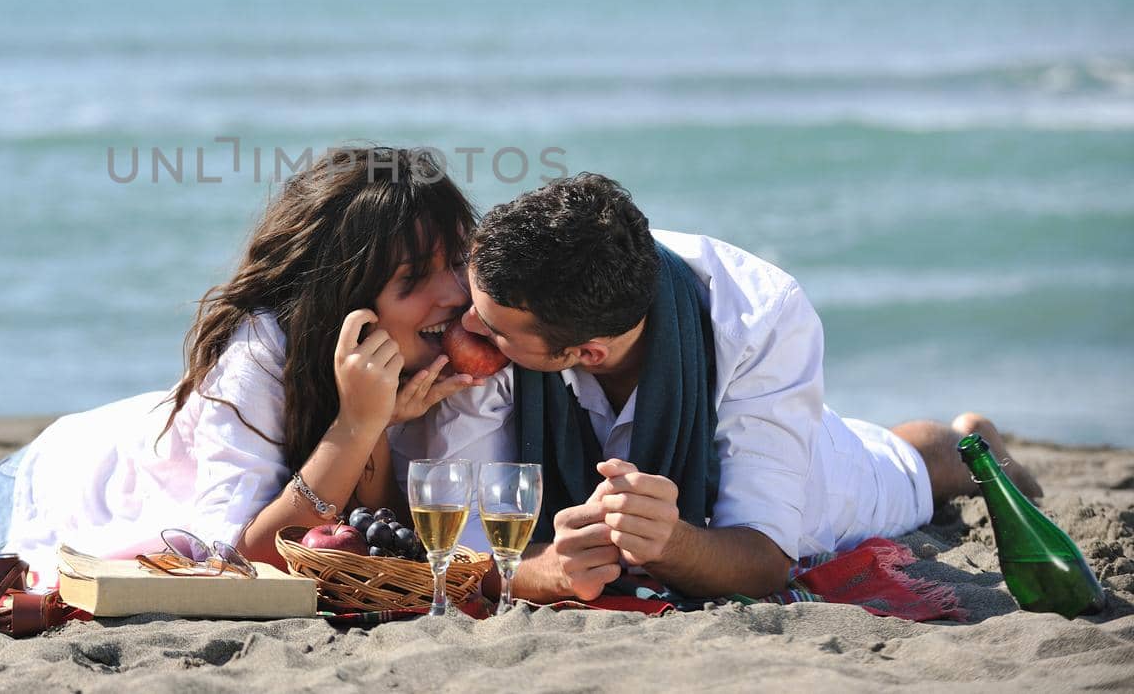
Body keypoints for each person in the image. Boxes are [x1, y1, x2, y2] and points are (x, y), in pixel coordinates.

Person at [0, 147, 483, 580]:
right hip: (60, 484)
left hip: (143, 438)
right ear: (347, 298)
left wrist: (379, 422)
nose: (454, 293)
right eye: (414, 278)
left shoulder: (401, 366)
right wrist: (358, 427)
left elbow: (361, 525)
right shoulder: (259, 356)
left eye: (456, 260)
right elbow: (254, 553)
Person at [417, 172, 1041, 601]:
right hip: (751, 423)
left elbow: (766, 559)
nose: (463, 325)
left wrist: (669, 542)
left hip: (815, 475)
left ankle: (969, 441)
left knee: (908, 469)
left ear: (586, 354)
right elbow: (460, 548)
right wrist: (546, 570)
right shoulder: (498, 312)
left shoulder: (759, 319)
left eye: (494, 329)